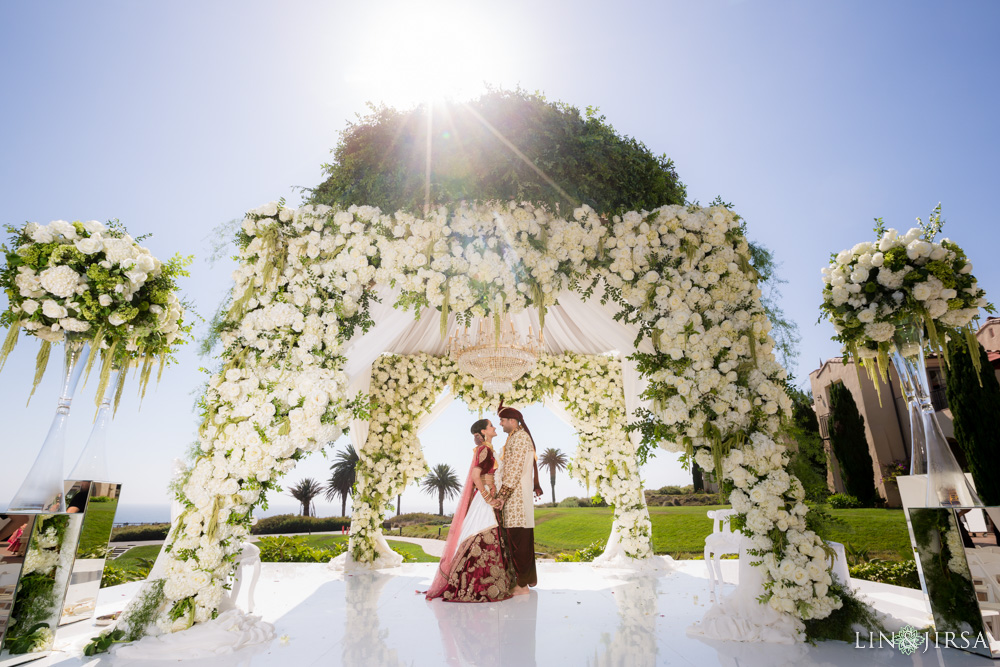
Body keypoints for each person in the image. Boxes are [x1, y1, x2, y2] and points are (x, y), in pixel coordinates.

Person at [425, 419, 513, 602]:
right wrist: (488, 497)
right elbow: (475, 475)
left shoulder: (487, 449)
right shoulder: (484, 449)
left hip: (489, 494)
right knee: (482, 532)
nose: (495, 427)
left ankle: (488, 584)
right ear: (484, 431)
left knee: (489, 534)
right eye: (491, 426)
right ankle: (479, 586)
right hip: (483, 498)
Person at [495, 406, 544, 595]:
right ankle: (523, 582)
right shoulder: (515, 437)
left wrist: (502, 496)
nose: (500, 424)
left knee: (519, 543)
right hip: (515, 499)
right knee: (517, 541)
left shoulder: (520, 438)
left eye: (502, 420)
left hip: (517, 501)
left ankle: (522, 586)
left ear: (512, 421)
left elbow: (514, 470)